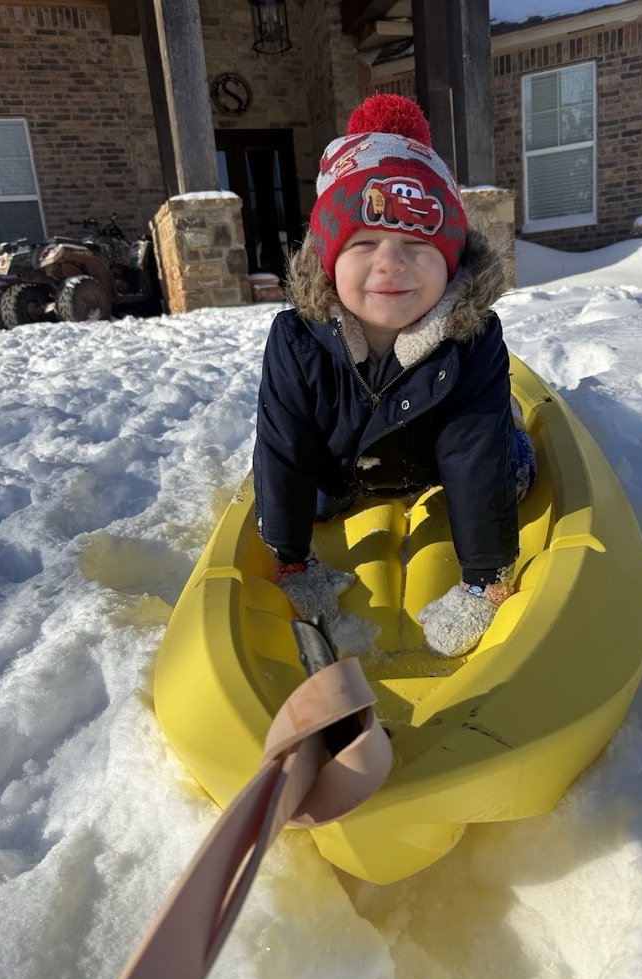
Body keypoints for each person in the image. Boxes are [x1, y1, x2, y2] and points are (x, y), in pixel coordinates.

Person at [253, 93, 535, 658]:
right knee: (298, 488)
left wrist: (484, 578)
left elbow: (474, 456)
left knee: (508, 471)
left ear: (451, 260)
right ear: (329, 259)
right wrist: (290, 557)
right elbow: (284, 446)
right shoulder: (297, 339)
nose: (390, 262)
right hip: (345, 468)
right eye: (364, 243)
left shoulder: (472, 338)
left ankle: (518, 430)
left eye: (415, 244)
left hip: (439, 463)